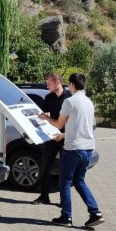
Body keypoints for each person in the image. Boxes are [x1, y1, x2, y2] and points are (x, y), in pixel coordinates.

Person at [39, 73, 104, 228]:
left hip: (73, 149)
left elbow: (58, 124)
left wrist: (45, 118)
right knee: (79, 181)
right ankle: (95, 213)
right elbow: (82, 126)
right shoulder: (89, 102)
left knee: (65, 183)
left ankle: (66, 217)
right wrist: (64, 135)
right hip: (88, 148)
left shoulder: (69, 101)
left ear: (72, 85)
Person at [33, 73, 71, 205]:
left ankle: (64, 200)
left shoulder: (69, 98)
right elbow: (42, 115)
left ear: (57, 82)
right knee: (45, 166)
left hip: (66, 137)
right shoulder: (48, 97)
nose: (47, 85)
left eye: (49, 83)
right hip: (52, 137)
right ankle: (44, 197)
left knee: (65, 169)